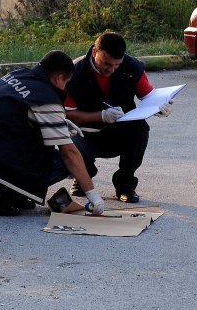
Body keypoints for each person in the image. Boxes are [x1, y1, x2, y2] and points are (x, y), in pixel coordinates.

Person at [0, 50, 105, 217]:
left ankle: (16, 191)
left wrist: (60, 122)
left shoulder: (18, 74)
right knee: (61, 162)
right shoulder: (46, 98)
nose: (65, 88)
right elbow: (69, 153)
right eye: (66, 83)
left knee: (37, 144)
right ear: (59, 78)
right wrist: (93, 196)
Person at [63, 32, 173, 203]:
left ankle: (125, 184)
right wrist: (100, 116)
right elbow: (67, 114)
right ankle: (83, 176)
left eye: (116, 65)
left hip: (119, 132)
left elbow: (149, 96)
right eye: (106, 63)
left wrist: (159, 107)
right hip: (84, 133)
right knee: (70, 137)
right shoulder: (74, 72)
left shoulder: (132, 67)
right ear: (94, 52)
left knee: (140, 129)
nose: (111, 69)